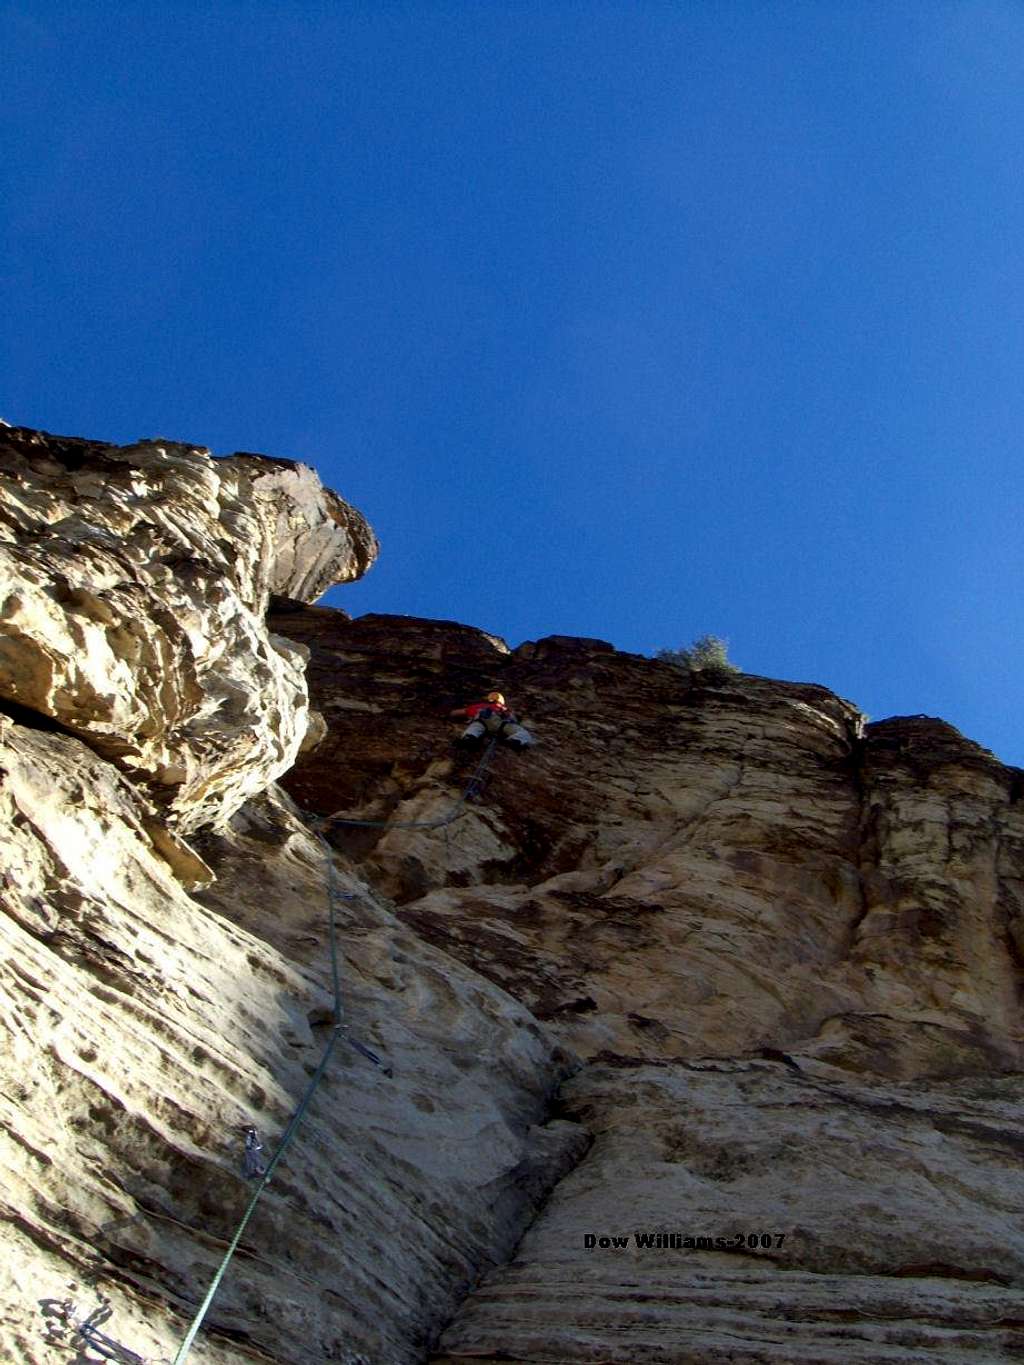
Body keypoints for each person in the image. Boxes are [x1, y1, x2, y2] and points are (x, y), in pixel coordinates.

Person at [449, 691, 535, 749]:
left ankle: (469, 738)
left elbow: (455, 713)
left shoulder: (480, 706)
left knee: (475, 727)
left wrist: (450, 714)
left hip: (483, 720)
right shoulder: (503, 707)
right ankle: (515, 740)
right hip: (501, 722)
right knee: (523, 733)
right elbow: (513, 718)